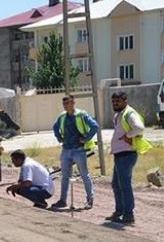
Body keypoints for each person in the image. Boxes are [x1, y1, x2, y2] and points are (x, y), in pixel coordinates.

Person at [50, 96, 99, 210]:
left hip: (79, 150)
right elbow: (55, 127)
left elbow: (94, 126)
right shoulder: (62, 116)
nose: (66, 106)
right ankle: (63, 200)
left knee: (84, 175)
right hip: (66, 149)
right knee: (65, 176)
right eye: (64, 104)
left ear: (73, 103)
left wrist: (86, 139)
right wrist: (59, 138)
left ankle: (90, 199)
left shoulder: (81, 115)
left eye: (68, 103)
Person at [106, 91, 146, 225]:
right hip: (120, 154)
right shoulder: (119, 115)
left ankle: (128, 215)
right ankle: (119, 212)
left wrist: (128, 136)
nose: (115, 103)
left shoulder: (129, 113)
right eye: (113, 101)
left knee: (124, 185)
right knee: (116, 185)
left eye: (118, 101)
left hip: (127, 154)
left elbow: (139, 128)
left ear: (125, 101)